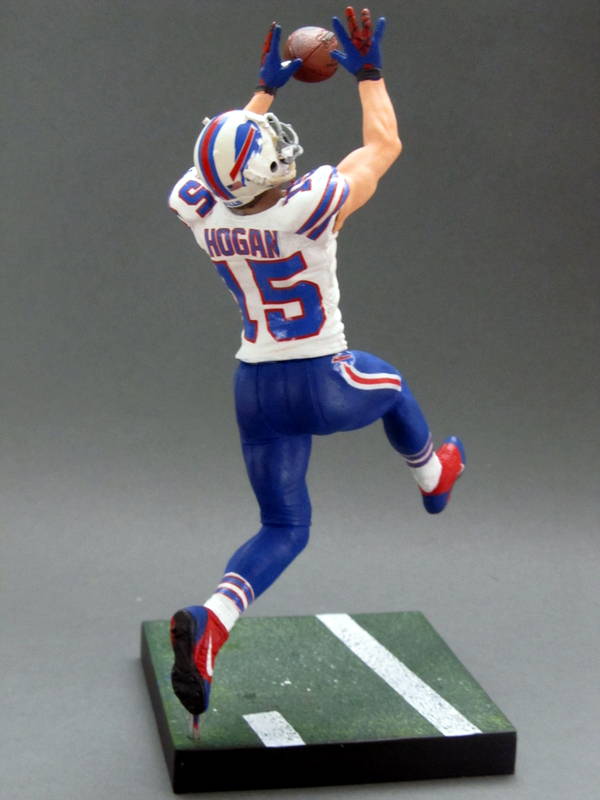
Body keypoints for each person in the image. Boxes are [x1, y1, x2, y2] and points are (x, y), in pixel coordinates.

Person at [167, 7, 465, 732]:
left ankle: (211, 623)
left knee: (284, 525)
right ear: (268, 168)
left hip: (254, 386)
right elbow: (384, 144)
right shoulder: (309, 206)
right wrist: (370, 74)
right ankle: (434, 477)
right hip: (321, 379)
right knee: (392, 386)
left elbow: (217, 170)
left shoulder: (200, 210)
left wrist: (262, 92)